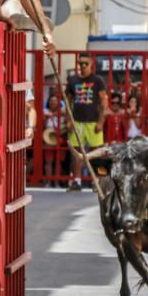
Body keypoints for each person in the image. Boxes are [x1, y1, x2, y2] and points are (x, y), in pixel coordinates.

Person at [65, 53, 107, 192]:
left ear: (91, 64)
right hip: (77, 121)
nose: (83, 66)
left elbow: (103, 102)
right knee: (76, 153)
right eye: (80, 63)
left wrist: (101, 121)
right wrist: (69, 121)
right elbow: (68, 102)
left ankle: (96, 181)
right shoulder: (72, 80)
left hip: (93, 121)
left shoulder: (97, 80)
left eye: (85, 63)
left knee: (96, 153)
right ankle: (76, 181)